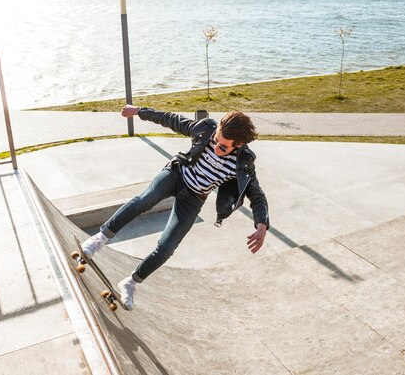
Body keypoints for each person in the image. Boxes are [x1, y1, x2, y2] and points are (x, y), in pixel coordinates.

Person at [81, 105, 269, 310]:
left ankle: (131, 282)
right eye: (215, 140)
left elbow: (256, 195)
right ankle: (99, 240)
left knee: (167, 247)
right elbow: (171, 119)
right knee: (146, 199)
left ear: (239, 144)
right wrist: (138, 111)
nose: (216, 148)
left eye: (223, 147)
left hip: (195, 198)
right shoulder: (205, 128)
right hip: (176, 175)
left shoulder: (244, 163)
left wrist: (261, 225)